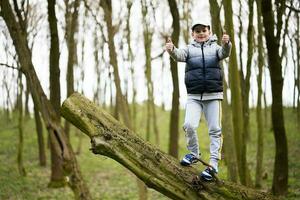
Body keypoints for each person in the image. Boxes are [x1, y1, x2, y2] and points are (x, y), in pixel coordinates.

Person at [165, 20, 231, 181]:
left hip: (213, 95)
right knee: (188, 125)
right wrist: (172, 49)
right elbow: (179, 56)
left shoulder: (216, 48)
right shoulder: (189, 49)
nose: (201, 33)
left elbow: (224, 53)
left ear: (209, 32)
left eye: (204, 30)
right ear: (193, 34)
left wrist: (227, 44)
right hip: (194, 96)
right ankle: (194, 153)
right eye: (197, 31)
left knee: (215, 129)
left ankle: (213, 164)